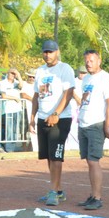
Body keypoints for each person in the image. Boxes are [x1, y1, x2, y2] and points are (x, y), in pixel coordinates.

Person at [29, 40, 75, 206]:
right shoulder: (40, 71)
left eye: (51, 52)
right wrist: (32, 117)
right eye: (45, 52)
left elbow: (68, 93)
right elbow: (36, 95)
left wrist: (56, 113)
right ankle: (58, 189)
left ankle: (54, 191)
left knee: (56, 156)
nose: (47, 55)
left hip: (60, 119)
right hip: (42, 117)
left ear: (57, 52)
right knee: (48, 155)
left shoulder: (65, 69)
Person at [76, 49, 109, 211]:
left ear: (99, 61)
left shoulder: (106, 79)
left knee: (93, 160)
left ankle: (97, 197)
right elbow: (85, 100)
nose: (88, 63)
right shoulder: (86, 80)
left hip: (96, 124)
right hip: (84, 123)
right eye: (86, 61)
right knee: (88, 160)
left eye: (91, 60)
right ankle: (92, 195)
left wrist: (107, 127)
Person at [0, 68, 23, 152]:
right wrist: (14, 98)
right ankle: (9, 149)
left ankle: (12, 147)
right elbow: (3, 95)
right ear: (8, 73)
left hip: (17, 109)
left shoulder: (16, 82)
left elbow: (21, 86)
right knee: (9, 130)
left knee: (15, 130)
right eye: (11, 73)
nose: (13, 75)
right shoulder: (3, 83)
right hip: (8, 109)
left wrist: (18, 75)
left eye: (14, 74)